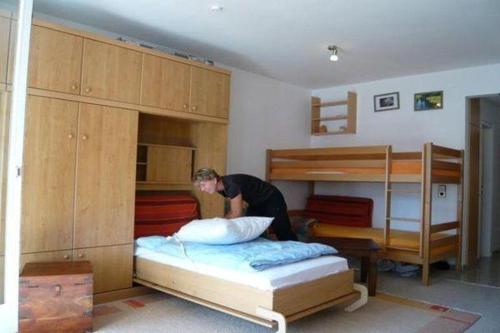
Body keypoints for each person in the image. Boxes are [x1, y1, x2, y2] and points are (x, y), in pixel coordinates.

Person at [192, 168, 298, 241]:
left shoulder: (231, 185)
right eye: (200, 187)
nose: (202, 189)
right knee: (251, 231)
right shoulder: (220, 188)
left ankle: (301, 254)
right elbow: (237, 206)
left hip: (271, 198)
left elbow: (236, 213)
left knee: (283, 231)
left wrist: (217, 223)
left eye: (203, 185)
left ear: (214, 180)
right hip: (256, 203)